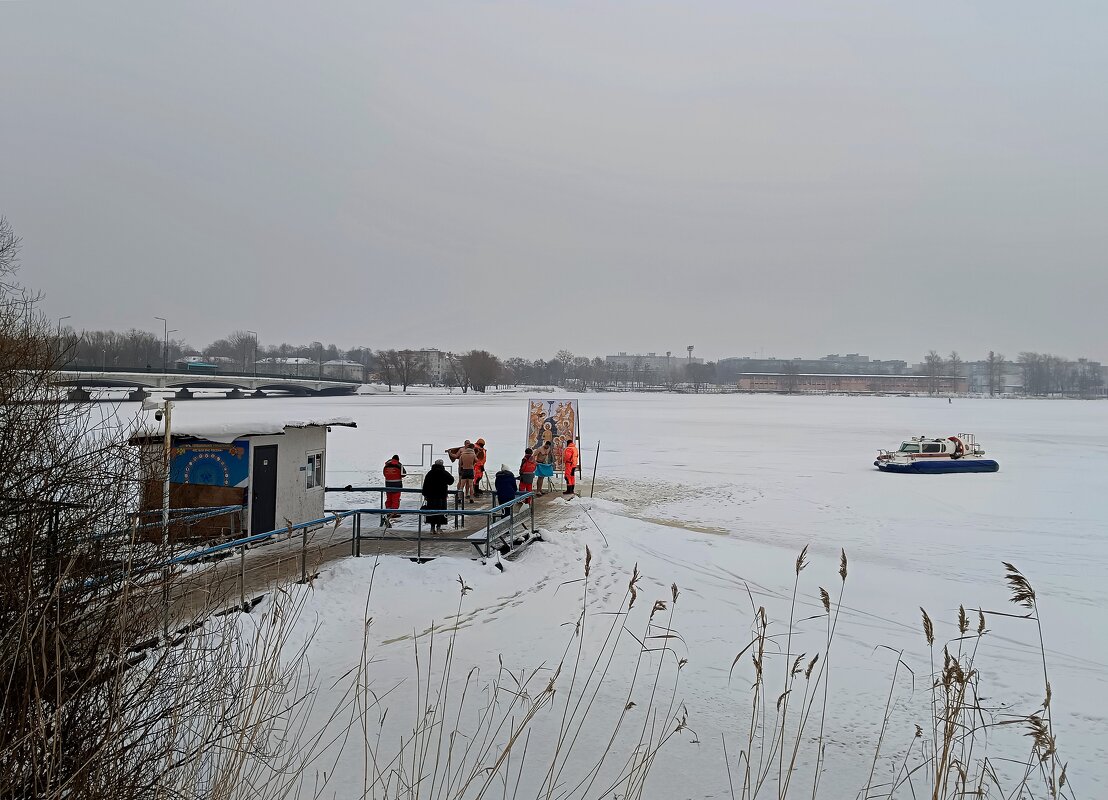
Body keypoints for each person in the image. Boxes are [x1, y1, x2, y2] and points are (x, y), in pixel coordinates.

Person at [421, 459, 454, 533]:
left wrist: (425, 495)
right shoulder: (444, 473)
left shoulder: (430, 473)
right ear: (442, 465)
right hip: (441, 496)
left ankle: (432, 528)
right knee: (440, 512)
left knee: (432, 512)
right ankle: (438, 528)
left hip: (431, 497)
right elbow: (451, 481)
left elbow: (425, 485)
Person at [382, 454, 406, 520]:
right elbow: (404, 474)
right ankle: (394, 513)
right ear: (398, 459)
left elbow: (384, 474)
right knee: (395, 499)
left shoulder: (386, 465)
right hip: (397, 485)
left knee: (389, 499)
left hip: (388, 485)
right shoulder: (399, 465)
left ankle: (388, 512)